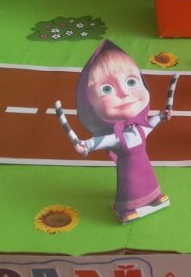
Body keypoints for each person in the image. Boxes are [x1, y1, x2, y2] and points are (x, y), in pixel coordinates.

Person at [72, 40, 170, 223]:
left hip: (144, 165)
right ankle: (127, 208)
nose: (124, 93)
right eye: (107, 89)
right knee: (129, 185)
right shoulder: (117, 137)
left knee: (149, 178)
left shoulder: (141, 128)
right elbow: (101, 141)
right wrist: (85, 145)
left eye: (131, 81)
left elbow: (151, 125)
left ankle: (154, 197)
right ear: (89, 102)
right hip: (128, 170)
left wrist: (161, 116)